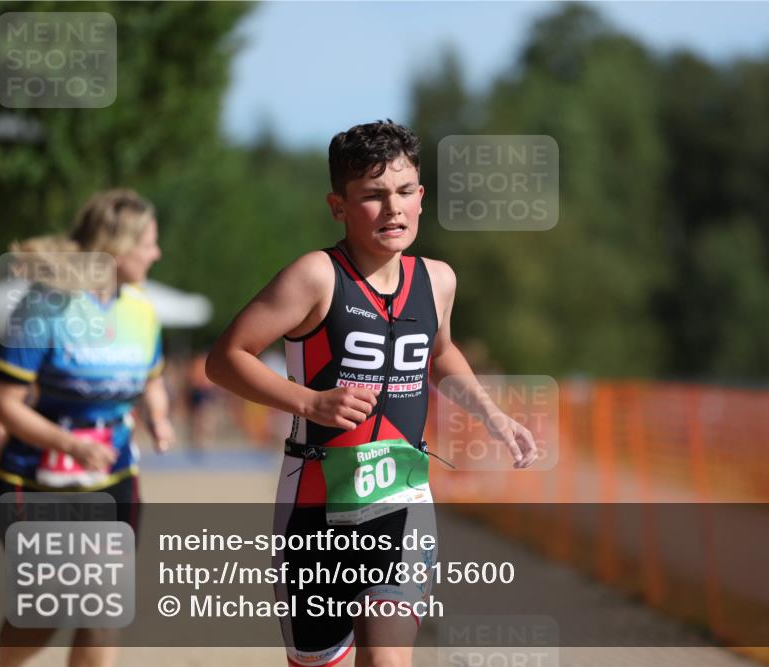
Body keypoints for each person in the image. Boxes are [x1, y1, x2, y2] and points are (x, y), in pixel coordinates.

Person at [206, 120, 537, 667]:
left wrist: (492, 414)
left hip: (402, 499)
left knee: (388, 658)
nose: (393, 209)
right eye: (373, 196)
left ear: (422, 197)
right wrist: (310, 403)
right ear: (338, 205)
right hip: (314, 499)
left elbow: (440, 352)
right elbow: (225, 359)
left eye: (405, 192)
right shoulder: (315, 276)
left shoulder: (438, 280)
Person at [0, 188, 174, 667]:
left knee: (104, 605)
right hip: (35, 480)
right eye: (148, 242)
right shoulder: (45, 309)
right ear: (116, 247)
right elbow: (3, 403)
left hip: (113, 480)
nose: (157, 253)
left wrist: (159, 415)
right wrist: (68, 442)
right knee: (53, 609)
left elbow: (152, 379)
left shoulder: (142, 310)